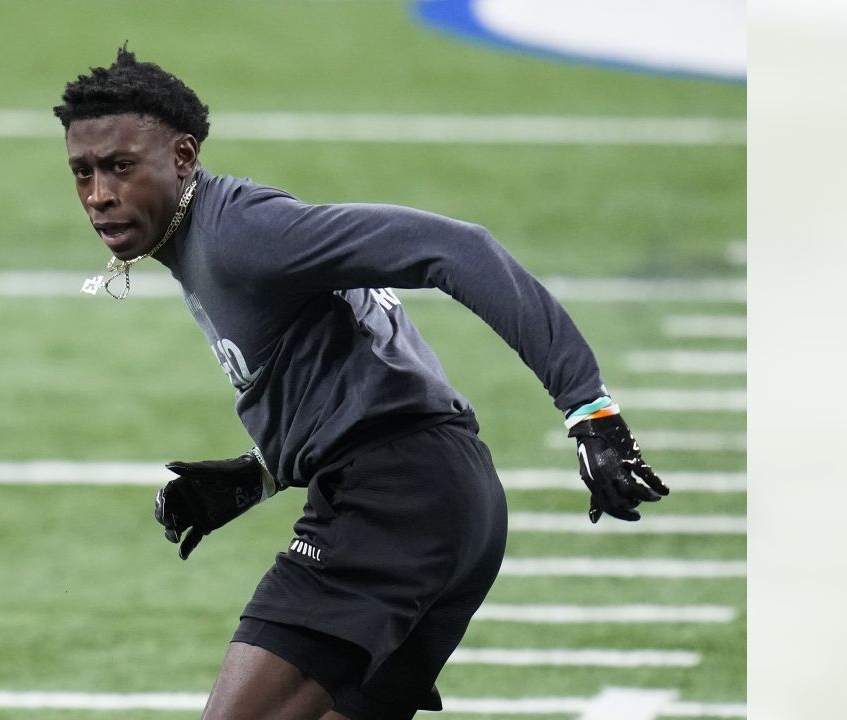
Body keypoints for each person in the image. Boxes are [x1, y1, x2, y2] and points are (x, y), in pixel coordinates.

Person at [53, 46, 669, 720]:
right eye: (82, 173)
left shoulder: (243, 235)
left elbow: (460, 248)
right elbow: (363, 361)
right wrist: (260, 475)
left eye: (120, 167)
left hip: (392, 500)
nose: (100, 195)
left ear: (182, 157)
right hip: (450, 496)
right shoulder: (206, 238)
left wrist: (589, 407)